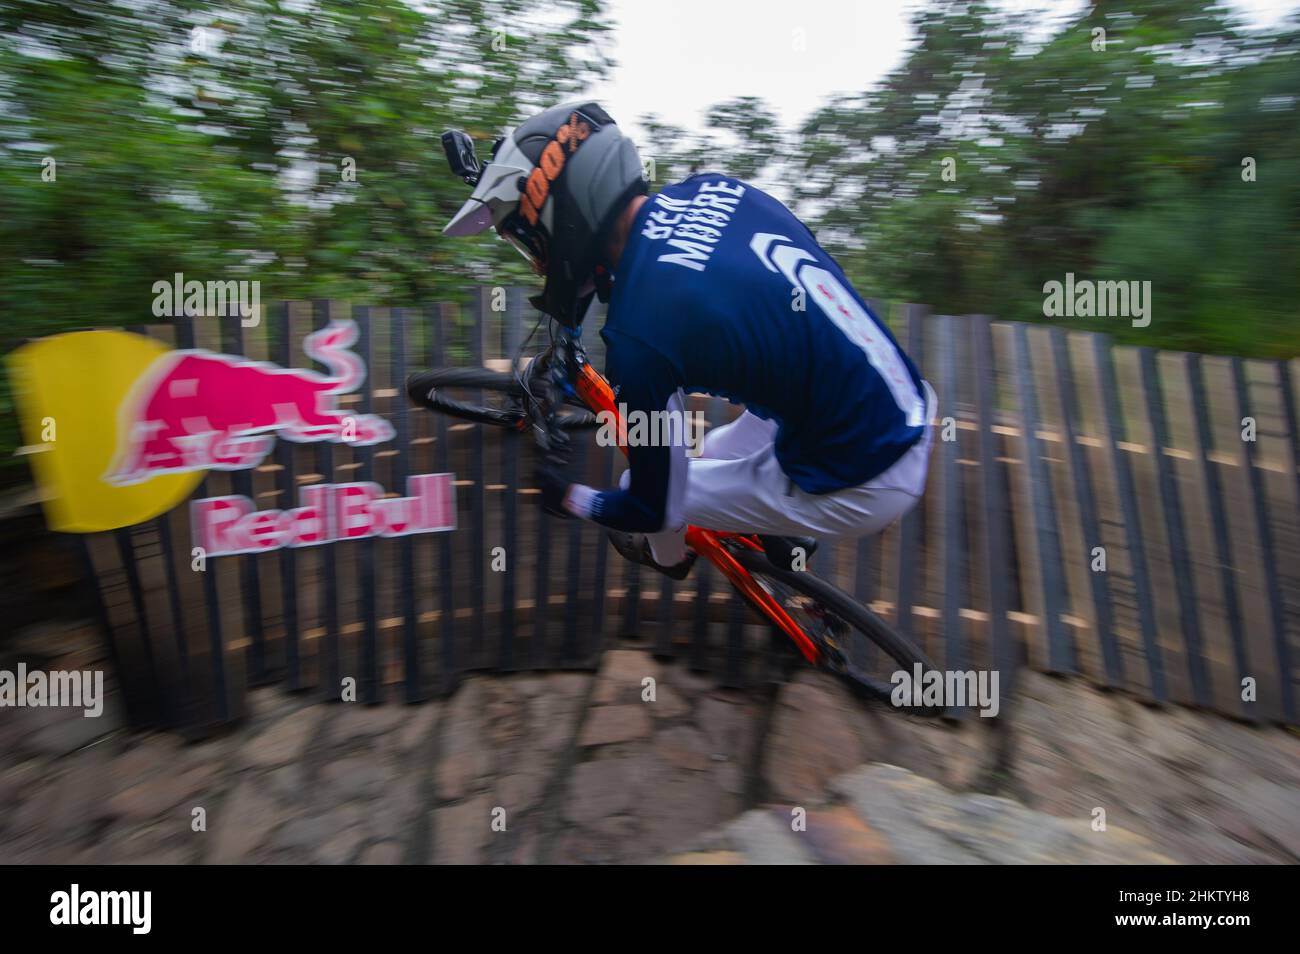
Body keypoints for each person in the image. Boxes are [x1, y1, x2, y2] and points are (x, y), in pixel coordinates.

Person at [443, 102, 935, 579]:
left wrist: (566, 496)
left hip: (867, 481)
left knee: (643, 487)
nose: (539, 263)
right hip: (898, 396)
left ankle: (670, 561)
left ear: (563, 217)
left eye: (531, 242)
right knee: (711, 452)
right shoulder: (717, 190)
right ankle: (768, 527)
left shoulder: (639, 336)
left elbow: (651, 508)